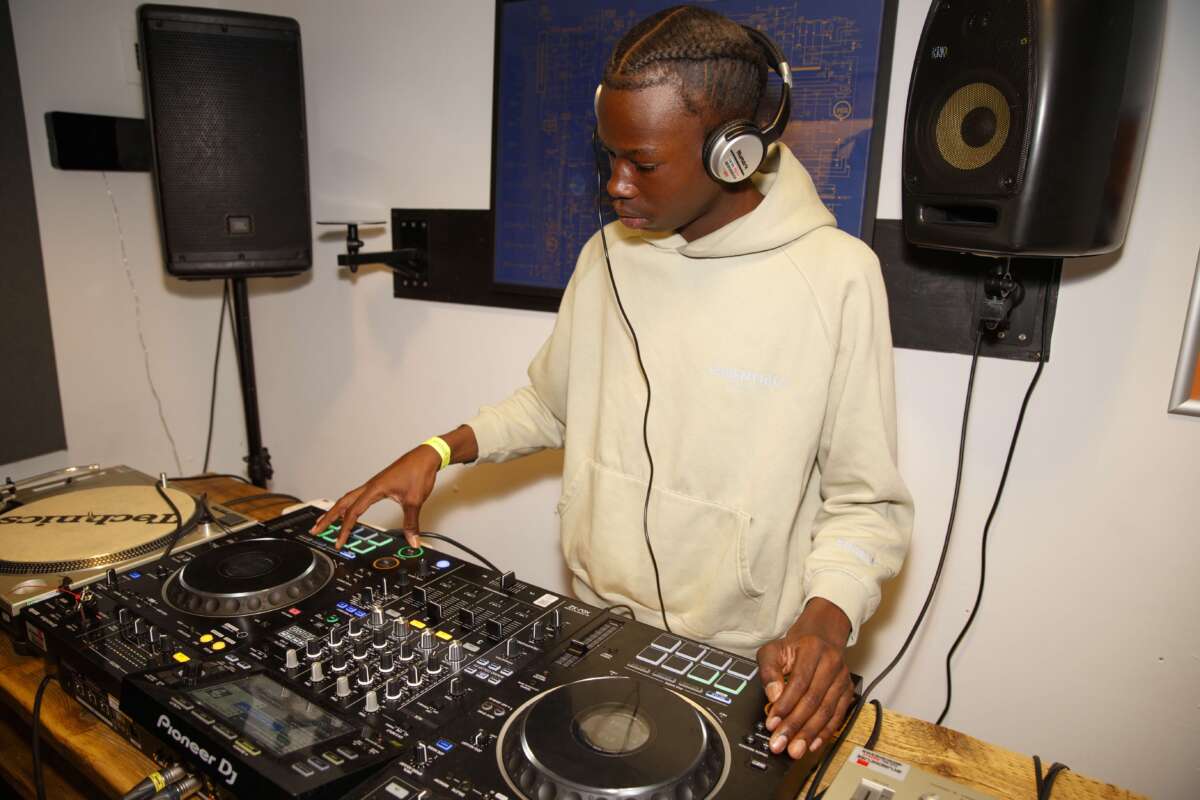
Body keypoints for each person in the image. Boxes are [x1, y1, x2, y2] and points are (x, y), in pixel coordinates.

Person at [313, 5, 912, 762]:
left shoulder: (837, 278)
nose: (616, 186)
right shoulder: (606, 257)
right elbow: (552, 405)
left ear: (732, 153)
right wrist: (439, 449)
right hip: (594, 633)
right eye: (610, 158)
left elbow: (866, 506)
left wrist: (827, 621)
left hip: (745, 663)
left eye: (643, 163)